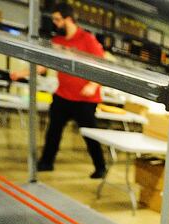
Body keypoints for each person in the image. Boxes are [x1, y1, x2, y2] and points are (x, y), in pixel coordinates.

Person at [11, 3, 106, 178]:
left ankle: (100, 167)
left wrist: (92, 85)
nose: (55, 23)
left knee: (89, 135)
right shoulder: (57, 41)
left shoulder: (87, 39)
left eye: (57, 19)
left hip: (85, 101)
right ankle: (47, 162)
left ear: (68, 19)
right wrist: (21, 73)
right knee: (53, 131)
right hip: (63, 95)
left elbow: (101, 65)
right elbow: (43, 65)